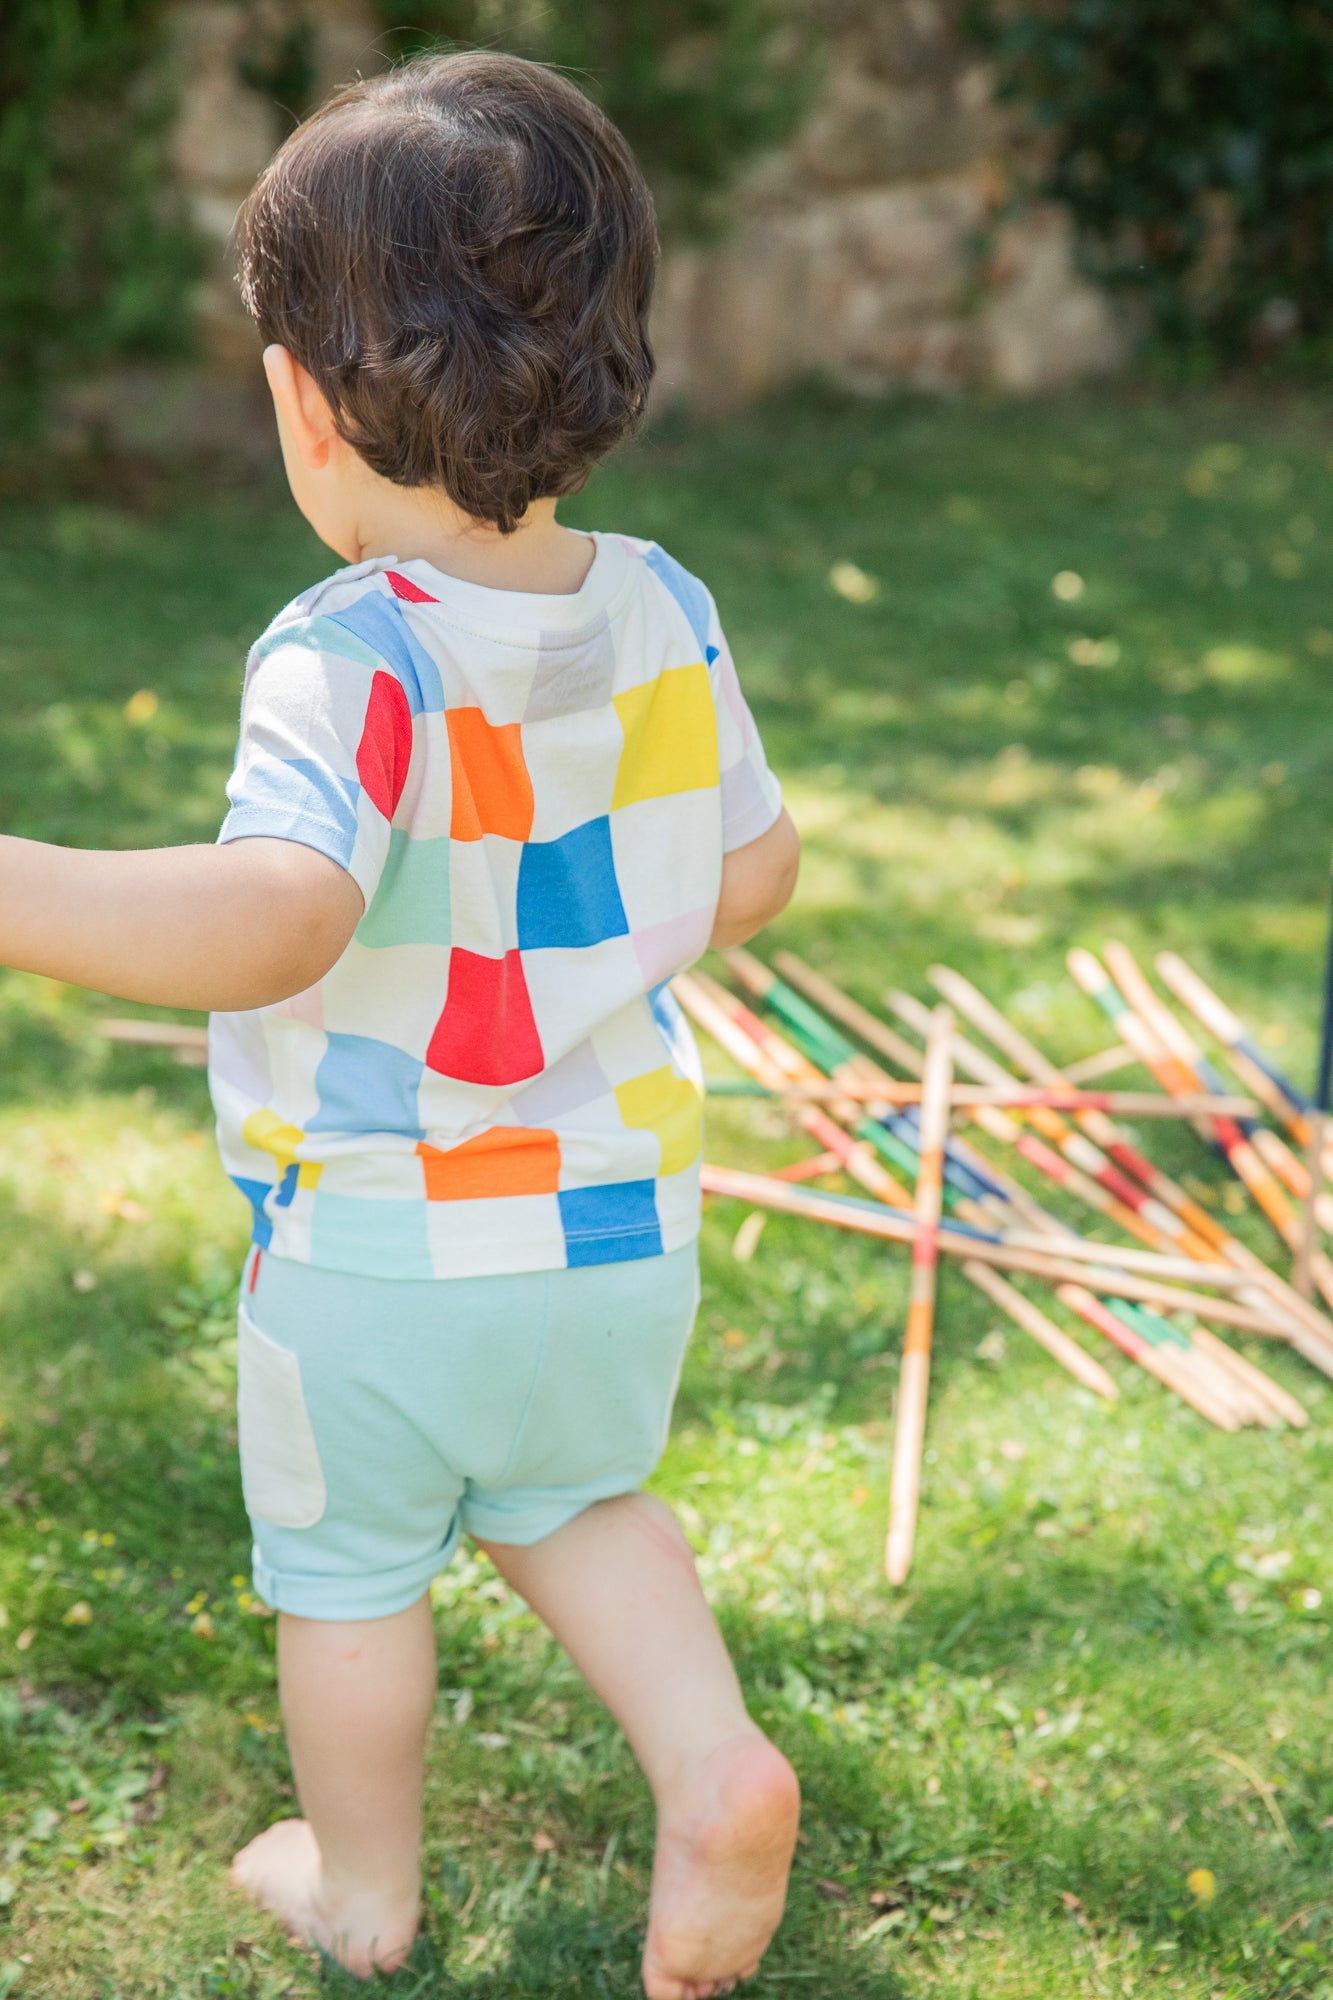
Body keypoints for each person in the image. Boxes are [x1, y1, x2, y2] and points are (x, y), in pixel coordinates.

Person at [1, 48, 802, 1997]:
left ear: (300, 398)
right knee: (581, 1502)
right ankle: (708, 1767)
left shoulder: (347, 649)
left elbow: (283, 915)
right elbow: (757, 873)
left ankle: (360, 1890)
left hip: (379, 1253)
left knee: (349, 1580)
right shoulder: (664, 607)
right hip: (617, 1232)